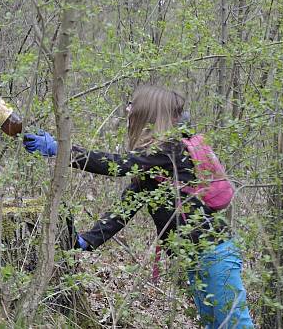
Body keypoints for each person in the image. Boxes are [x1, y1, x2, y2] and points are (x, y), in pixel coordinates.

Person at [22, 85, 254, 329]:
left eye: (133, 105)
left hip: (214, 254)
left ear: (150, 113)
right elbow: (127, 206)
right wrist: (88, 240)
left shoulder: (171, 149)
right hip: (197, 258)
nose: (128, 109)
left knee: (235, 325)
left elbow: (118, 165)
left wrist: (62, 150)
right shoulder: (154, 162)